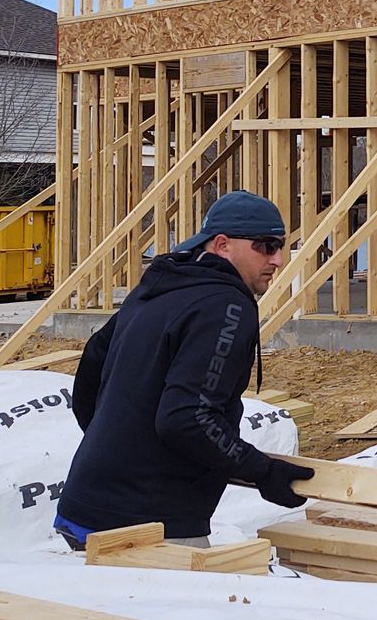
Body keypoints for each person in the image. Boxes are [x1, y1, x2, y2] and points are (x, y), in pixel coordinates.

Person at [55, 190, 314, 548]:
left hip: (84, 507)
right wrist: (263, 471)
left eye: (280, 246)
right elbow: (187, 417)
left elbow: (93, 362)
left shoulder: (161, 286)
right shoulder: (225, 305)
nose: (279, 259)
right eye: (266, 246)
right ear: (222, 245)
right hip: (146, 525)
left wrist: (116, 444)